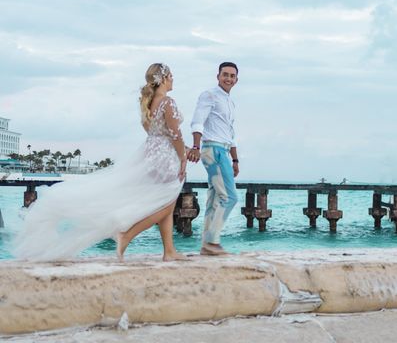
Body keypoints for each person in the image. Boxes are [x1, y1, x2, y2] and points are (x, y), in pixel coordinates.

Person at [13, 63, 187, 262]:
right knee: (165, 202)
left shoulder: (148, 103)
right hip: (166, 156)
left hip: (151, 153)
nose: (173, 79)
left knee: (167, 202)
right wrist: (183, 157)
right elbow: (175, 134)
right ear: (163, 79)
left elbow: (151, 132)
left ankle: (169, 251)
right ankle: (126, 235)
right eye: (171, 75)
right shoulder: (168, 102)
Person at [187, 62, 239, 256]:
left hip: (223, 151)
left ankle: (206, 245)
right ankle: (212, 242)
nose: (228, 78)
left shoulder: (230, 102)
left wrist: (235, 160)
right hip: (213, 149)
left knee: (215, 198)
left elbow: (230, 134)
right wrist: (195, 146)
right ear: (218, 76)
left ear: (236, 79)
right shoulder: (209, 95)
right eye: (225, 74)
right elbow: (198, 121)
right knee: (230, 197)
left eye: (232, 76)